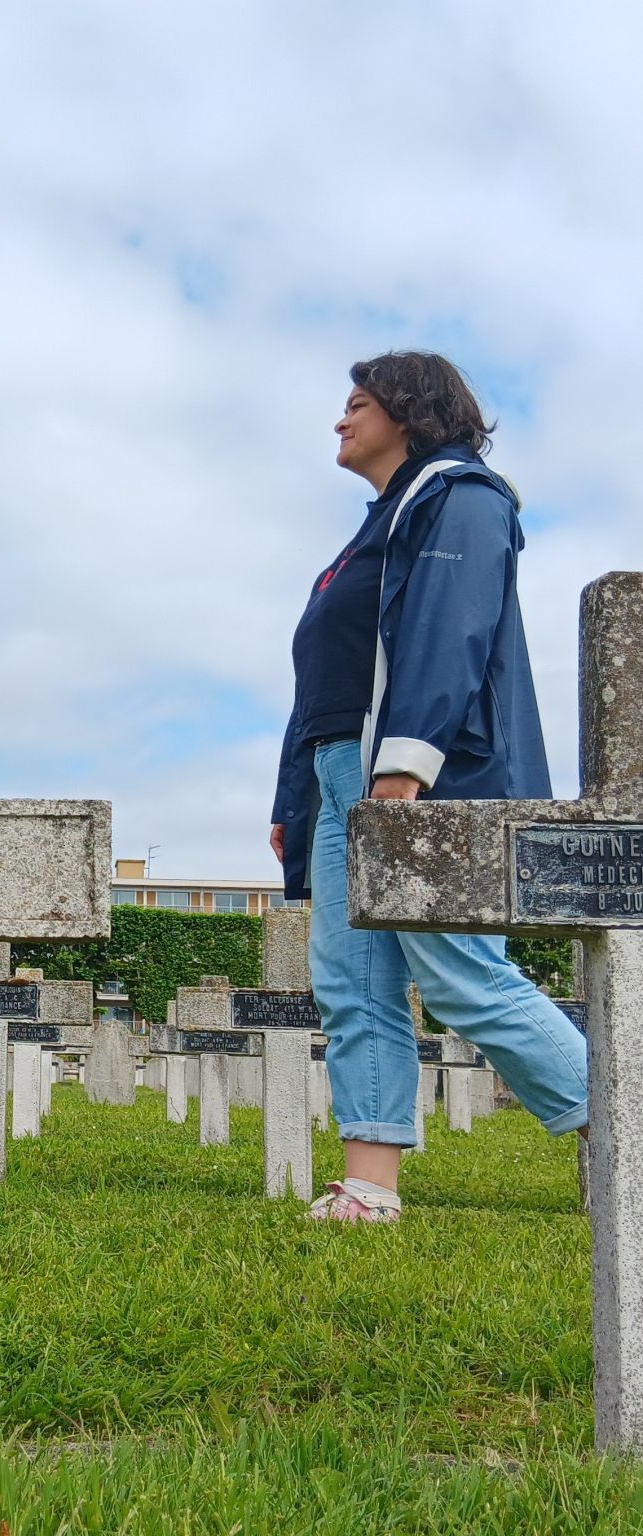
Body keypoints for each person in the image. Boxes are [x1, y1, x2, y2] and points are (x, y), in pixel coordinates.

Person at [270, 351, 588, 1223]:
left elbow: (452, 632)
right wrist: (292, 801)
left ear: (408, 412)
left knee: (460, 976)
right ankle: (370, 1185)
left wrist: (404, 766)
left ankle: (623, 1132)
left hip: (423, 773)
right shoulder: (366, 535)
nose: (341, 421)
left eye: (358, 404)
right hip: (343, 775)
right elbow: (322, 682)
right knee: (355, 981)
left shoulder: (464, 497)